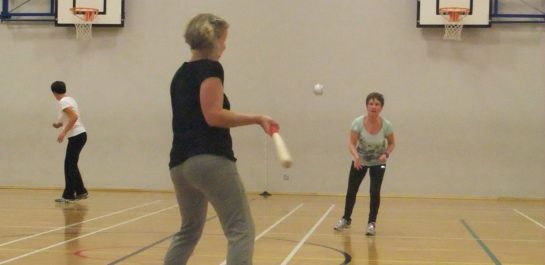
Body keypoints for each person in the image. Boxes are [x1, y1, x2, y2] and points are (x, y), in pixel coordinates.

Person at [164, 13, 278, 265]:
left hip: (179, 165)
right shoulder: (211, 68)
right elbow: (213, 115)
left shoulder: (179, 74)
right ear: (213, 40)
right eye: (224, 39)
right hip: (209, 159)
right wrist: (257, 118)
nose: (225, 46)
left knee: (189, 230)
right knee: (241, 229)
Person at [334, 92, 395, 236]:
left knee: (374, 192)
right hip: (360, 161)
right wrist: (356, 157)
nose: (373, 107)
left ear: (381, 107)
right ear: (367, 106)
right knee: (351, 191)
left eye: (377, 104)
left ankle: (371, 223)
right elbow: (351, 143)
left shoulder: (387, 125)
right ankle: (346, 219)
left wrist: (385, 154)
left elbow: (392, 144)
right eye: (371, 104)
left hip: (378, 163)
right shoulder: (357, 123)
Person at [51, 81, 89, 203]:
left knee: (69, 165)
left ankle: (68, 195)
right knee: (71, 164)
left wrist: (63, 132)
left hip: (77, 135)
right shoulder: (70, 99)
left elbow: (74, 117)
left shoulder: (63, 101)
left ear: (54, 93)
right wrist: (59, 124)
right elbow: (70, 117)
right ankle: (81, 191)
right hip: (80, 135)